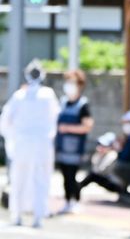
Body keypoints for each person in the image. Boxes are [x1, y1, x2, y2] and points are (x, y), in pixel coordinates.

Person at [0, 61, 59, 228]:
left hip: (22, 144)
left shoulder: (19, 95)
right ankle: (37, 216)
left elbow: (5, 120)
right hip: (41, 144)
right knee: (40, 180)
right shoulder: (48, 95)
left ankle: (17, 214)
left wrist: (11, 139)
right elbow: (55, 117)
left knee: (19, 179)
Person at [80, 110, 130, 198]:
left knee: (118, 166)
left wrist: (117, 150)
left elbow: (126, 157)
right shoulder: (129, 137)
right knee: (95, 175)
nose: (101, 148)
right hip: (127, 172)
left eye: (129, 122)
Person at [54, 68, 94, 214]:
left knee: (72, 175)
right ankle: (67, 200)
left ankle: (75, 200)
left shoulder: (83, 104)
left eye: (72, 82)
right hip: (62, 147)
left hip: (75, 148)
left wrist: (68, 128)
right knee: (64, 176)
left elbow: (87, 126)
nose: (69, 85)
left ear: (80, 85)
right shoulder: (63, 102)